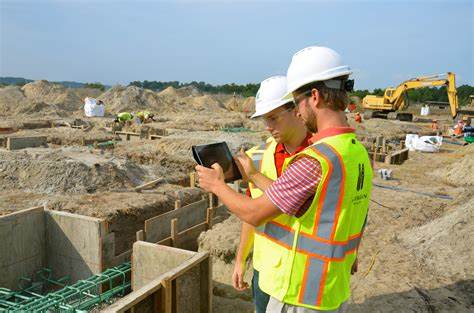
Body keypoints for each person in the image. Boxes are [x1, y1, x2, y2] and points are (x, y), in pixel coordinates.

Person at [196, 46, 373, 313]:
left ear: (314, 97)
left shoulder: (316, 160)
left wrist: (216, 186)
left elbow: (255, 213)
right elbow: (354, 213)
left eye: (297, 101)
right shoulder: (356, 152)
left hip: (300, 294)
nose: (299, 113)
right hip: (332, 289)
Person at [233, 75, 310, 313]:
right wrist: (240, 259)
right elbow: (251, 213)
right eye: (265, 119)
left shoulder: (319, 156)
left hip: (302, 274)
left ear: (297, 110)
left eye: (273, 118)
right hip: (265, 270)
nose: (268, 126)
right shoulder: (258, 155)